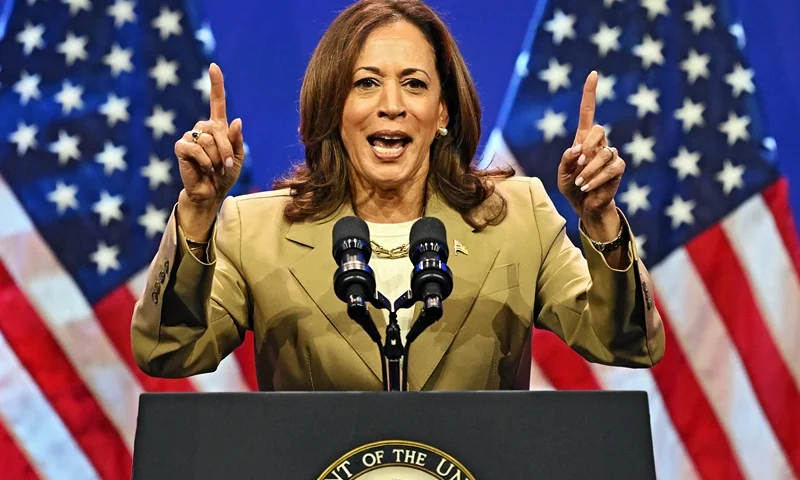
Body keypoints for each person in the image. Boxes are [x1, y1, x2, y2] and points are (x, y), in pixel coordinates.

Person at [130, 0, 664, 391]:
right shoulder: (257, 230)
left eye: (414, 83)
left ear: (443, 113)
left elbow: (627, 343)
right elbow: (168, 351)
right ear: (334, 108)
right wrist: (199, 211)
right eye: (365, 83)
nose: (392, 105)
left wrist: (600, 220)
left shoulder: (517, 218)